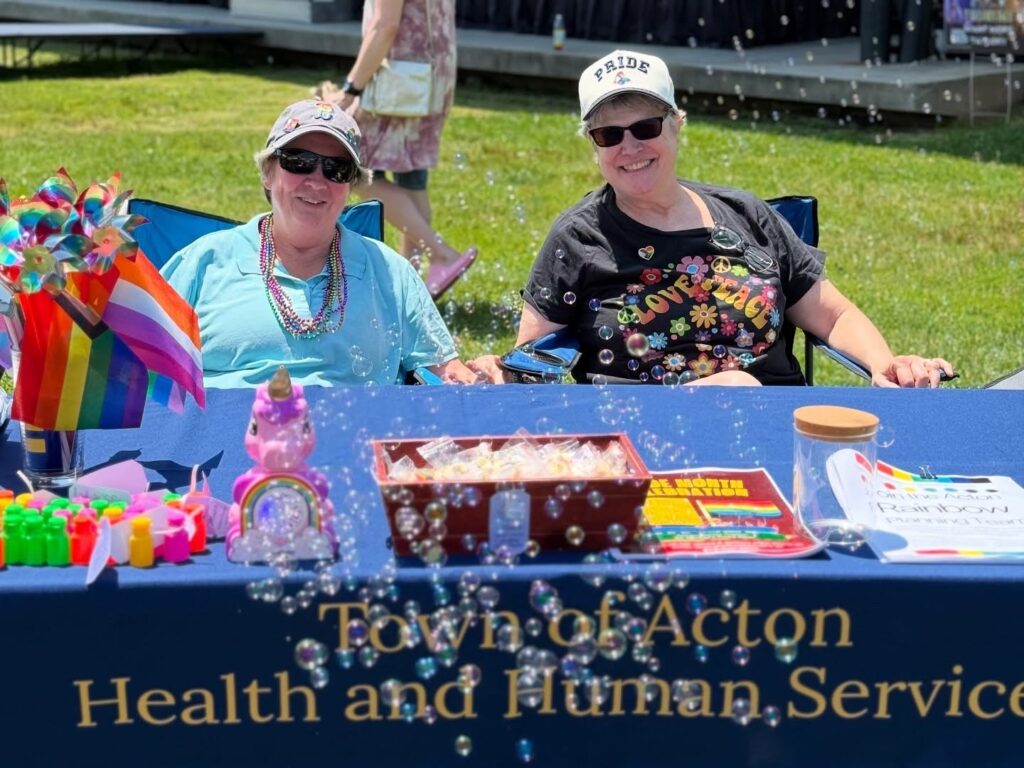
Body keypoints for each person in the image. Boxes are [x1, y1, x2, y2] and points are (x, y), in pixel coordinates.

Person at [477, 49, 954, 388]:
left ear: (678, 125)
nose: (630, 147)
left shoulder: (748, 216)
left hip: (775, 430)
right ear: (593, 145)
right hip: (642, 440)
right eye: (609, 134)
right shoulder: (578, 237)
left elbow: (835, 314)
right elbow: (533, 362)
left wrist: (883, 364)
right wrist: (500, 372)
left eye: (646, 127)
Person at [161, 99, 484, 388]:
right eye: (298, 161)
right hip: (226, 446)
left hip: (355, 443)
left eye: (336, 169)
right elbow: (134, 364)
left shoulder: (389, 272)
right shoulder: (206, 261)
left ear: (351, 187)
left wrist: (474, 378)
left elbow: (445, 372)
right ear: (268, 173)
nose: (316, 180)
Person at [320, 0, 476, 299]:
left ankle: (441, 254)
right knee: (411, 177)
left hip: (398, 82)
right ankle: (410, 283)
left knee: (351, 169)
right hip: (430, 77)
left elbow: (385, 25)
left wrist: (350, 89)